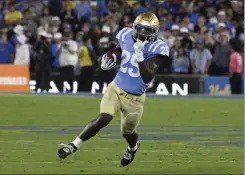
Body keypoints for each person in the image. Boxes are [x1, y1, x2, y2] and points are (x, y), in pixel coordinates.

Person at [57, 12, 169, 167]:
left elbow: (147, 78)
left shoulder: (159, 47)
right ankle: (73, 145)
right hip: (116, 88)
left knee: (128, 133)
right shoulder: (125, 35)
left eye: (146, 31)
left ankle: (132, 148)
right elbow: (117, 50)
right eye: (139, 29)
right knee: (103, 118)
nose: (142, 34)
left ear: (154, 32)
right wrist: (110, 57)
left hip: (135, 98)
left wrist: (140, 55)